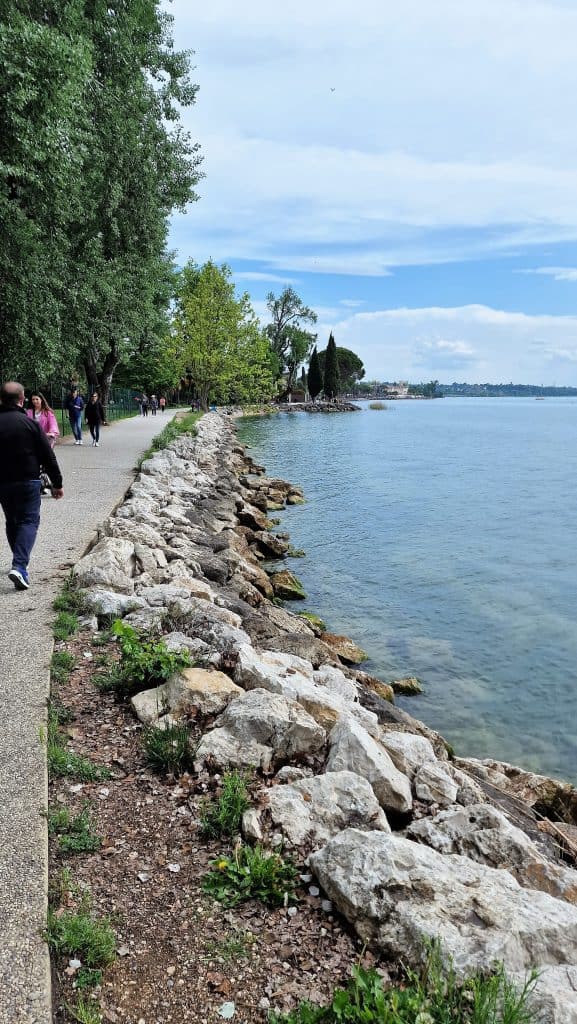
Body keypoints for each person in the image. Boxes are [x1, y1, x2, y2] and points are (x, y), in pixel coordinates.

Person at [0, 381, 64, 590]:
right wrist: (57, 484)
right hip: (28, 480)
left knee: (12, 521)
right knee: (29, 521)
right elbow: (48, 456)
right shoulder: (30, 424)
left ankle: (18, 562)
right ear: (22, 399)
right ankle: (19, 565)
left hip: (3, 483)